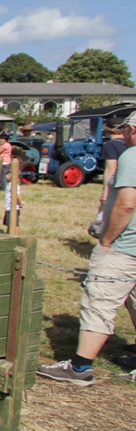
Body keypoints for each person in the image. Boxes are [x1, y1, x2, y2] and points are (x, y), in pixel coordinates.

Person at [38, 111, 136, 386]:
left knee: (99, 302)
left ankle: (80, 368)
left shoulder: (132, 156)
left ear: (133, 130)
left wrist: (107, 240)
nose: (123, 135)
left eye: (126, 130)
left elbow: (127, 204)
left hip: (125, 247)